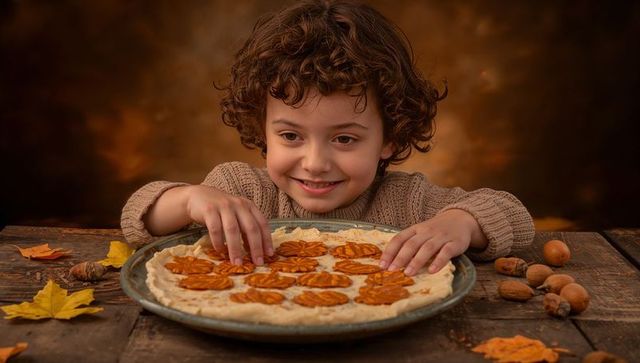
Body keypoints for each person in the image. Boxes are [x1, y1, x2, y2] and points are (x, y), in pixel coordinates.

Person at [121, 0, 534, 276]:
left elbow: (513, 215)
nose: (315, 162)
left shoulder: (409, 202)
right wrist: (190, 199)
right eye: (290, 135)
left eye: (345, 140)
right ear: (261, 126)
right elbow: (139, 219)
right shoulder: (239, 190)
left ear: (389, 138)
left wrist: (458, 222)